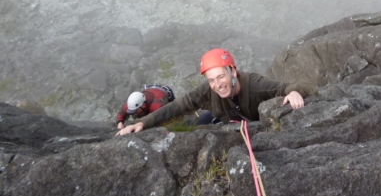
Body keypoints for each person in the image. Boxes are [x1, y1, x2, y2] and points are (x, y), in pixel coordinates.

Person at [116, 48, 317, 136]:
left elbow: (291, 86)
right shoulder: (208, 90)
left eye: (221, 77)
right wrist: (143, 123)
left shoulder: (254, 85)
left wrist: (294, 92)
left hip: (243, 123)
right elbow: (178, 106)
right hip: (221, 117)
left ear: (233, 72)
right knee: (191, 126)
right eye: (211, 79)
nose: (217, 84)